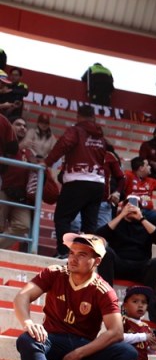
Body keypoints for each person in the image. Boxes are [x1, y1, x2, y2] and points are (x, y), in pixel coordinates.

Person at [15, 233, 136, 360]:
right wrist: (28, 323)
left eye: (82, 255)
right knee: (26, 340)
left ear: (97, 261)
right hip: (52, 340)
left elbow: (116, 332)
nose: (73, 258)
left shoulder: (104, 290)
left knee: (128, 353)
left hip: (84, 347)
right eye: (72, 253)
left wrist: (78, 353)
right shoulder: (54, 273)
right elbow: (22, 296)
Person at [43, 105, 109, 258]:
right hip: (98, 183)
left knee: (62, 217)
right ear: (93, 117)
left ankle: (65, 252)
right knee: (89, 225)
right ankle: (86, 256)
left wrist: (48, 162)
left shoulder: (76, 130)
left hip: (78, 180)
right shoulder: (101, 137)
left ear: (78, 116)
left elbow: (64, 144)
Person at [95, 198, 156, 290]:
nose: (131, 209)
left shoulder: (145, 225)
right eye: (128, 207)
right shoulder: (117, 223)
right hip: (119, 265)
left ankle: (147, 297)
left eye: (134, 207)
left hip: (140, 267)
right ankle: (106, 293)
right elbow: (99, 234)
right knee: (106, 252)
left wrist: (141, 218)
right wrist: (122, 215)